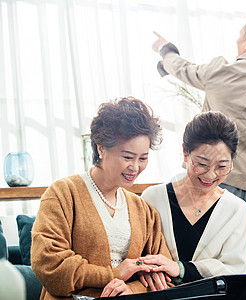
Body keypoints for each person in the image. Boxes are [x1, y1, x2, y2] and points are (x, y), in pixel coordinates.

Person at [152, 8, 246, 202]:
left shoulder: (218, 72)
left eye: (239, 36)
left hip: (215, 183)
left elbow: (183, 68)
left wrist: (165, 49)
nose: (236, 41)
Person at [31, 97, 173, 299]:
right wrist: (114, 274)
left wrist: (132, 290)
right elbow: (49, 265)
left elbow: (163, 274)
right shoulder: (62, 194)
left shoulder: (144, 210)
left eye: (143, 158)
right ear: (101, 148)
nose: (135, 167)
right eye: (127, 157)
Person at [141, 111, 246, 299]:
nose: (211, 175)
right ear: (185, 153)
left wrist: (181, 268)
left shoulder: (236, 209)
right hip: (164, 293)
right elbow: (138, 254)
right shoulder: (152, 198)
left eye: (222, 166)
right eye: (202, 164)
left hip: (215, 295)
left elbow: (237, 270)